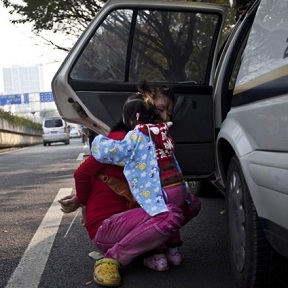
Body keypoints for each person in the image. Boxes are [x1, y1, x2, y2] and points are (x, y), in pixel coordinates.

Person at [59, 83, 200, 287]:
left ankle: (152, 247)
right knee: (169, 214)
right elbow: (82, 173)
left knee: (191, 203)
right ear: (143, 112)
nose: (167, 118)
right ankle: (112, 258)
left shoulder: (153, 140)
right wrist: (82, 203)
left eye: (170, 112)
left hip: (132, 218)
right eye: (161, 110)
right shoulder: (121, 141)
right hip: (106, 228)